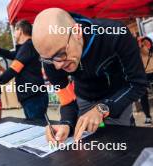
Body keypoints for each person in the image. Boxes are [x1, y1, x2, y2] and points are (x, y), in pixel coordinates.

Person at [31, 8, 147, 143]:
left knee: (118, 145)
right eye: (48, 60)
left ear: (77, 32)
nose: (57, 66)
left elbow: (138, 84)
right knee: (83, 145)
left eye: (60, 54)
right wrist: (66, 123)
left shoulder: (115, 34)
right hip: (83, 96)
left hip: (117, 93)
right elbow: (67, 100)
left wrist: (103, 108)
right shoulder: (51, 58)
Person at [0, 20, 49, 120]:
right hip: (31, 96)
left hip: (33, 96)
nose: (13, 34)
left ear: (20, 31)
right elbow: (10, 54)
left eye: (14, 31)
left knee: (38, 128)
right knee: (36, 126)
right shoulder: (25, 47)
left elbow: (13, 69)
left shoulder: (27, 47)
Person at [138, 36, 153, 124]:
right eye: (145, 43)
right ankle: (148, 116)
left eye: (148, 42)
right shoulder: (139, 51)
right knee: (143, 96)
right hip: (143, 75)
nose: (147, 44)